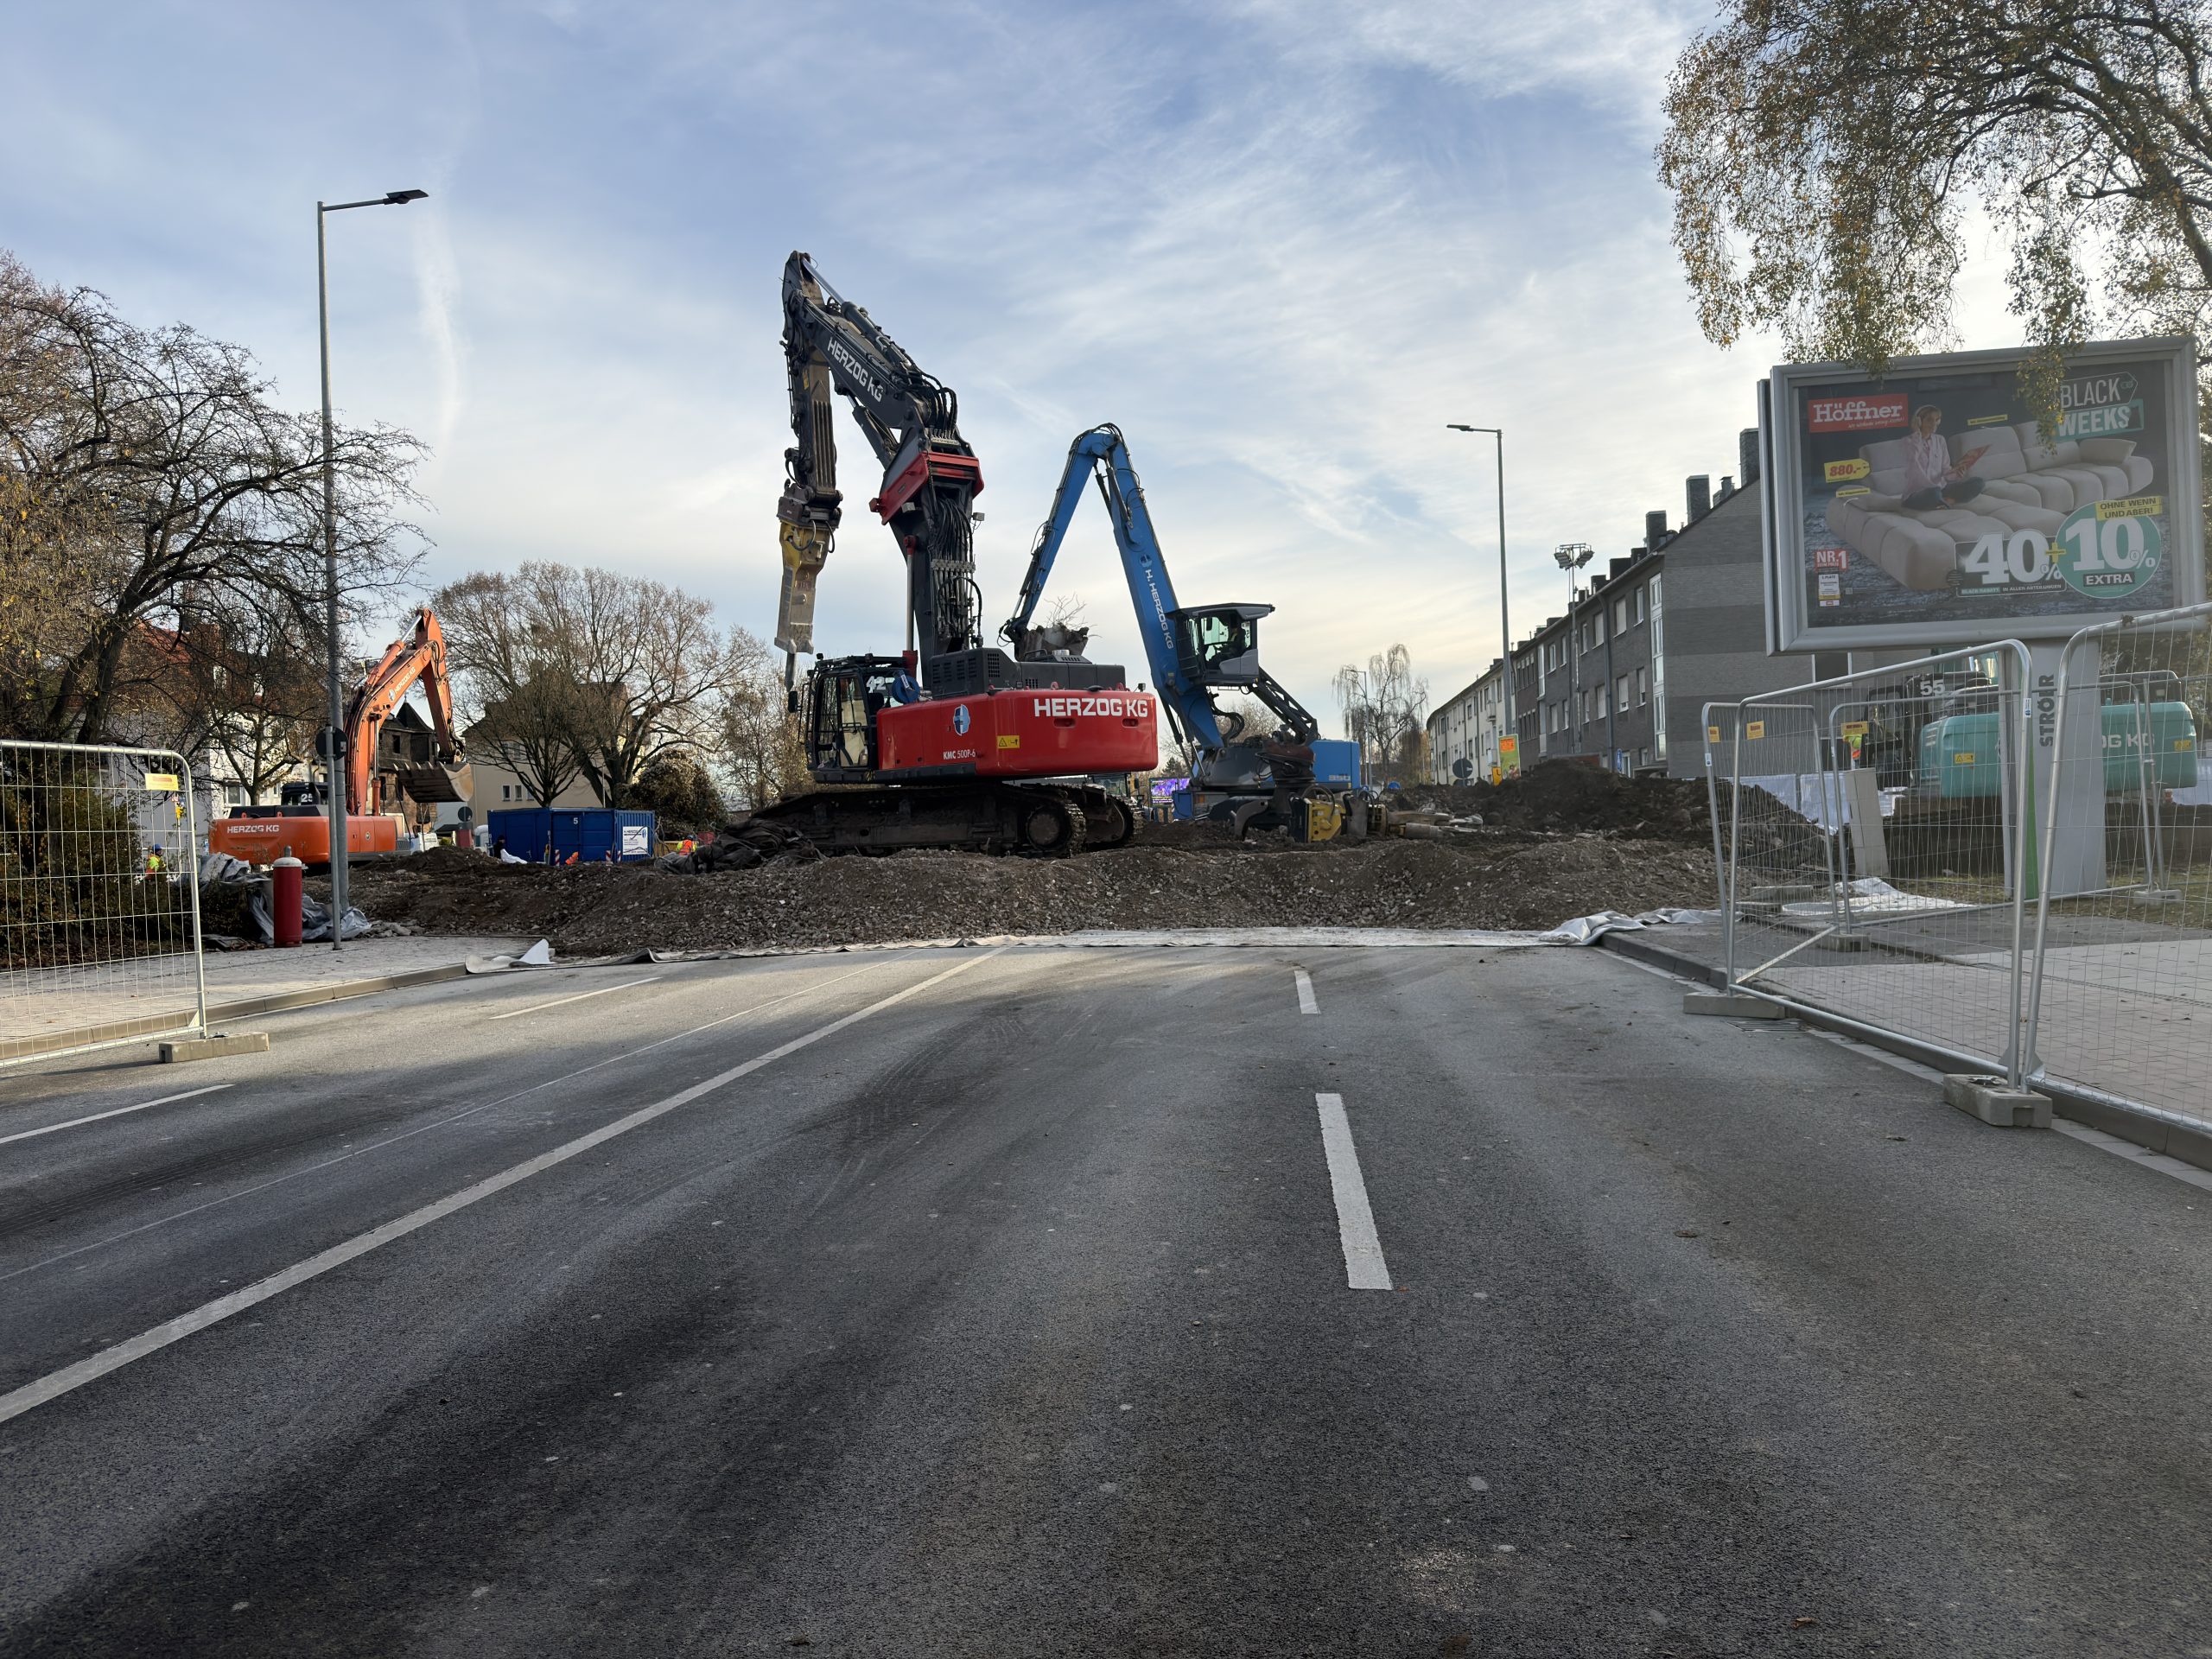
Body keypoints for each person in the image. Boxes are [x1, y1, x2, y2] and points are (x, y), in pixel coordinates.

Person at [1900, 405, 1989, 510]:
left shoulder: (1940, 440)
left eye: (1937, 420)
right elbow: (1912, 464)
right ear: (1919, 422)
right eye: (1929, 420)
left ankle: (1948, 501)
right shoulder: (1908, 442)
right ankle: (1940, 500)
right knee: (1934, 493)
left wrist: (1957, 473)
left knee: (1978, 482)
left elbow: (1945, 470)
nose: (1934, 424)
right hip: (1917, 493)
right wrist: (1917, 434)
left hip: (1941, 488)